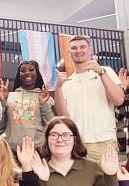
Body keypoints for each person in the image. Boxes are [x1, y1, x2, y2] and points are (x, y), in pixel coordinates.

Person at [52, 35, 124, 163]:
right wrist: (58, 87)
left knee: (108, 182)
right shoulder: (67, 82)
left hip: (105, 141)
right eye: (74, 48)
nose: (78, 50)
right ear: (69, 52)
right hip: (77, 144)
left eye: (82, 47)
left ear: (90, 50)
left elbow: (118, 100)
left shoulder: (105, 71)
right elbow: (63, 115)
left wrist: (101, 72)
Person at [0, 59, 54, 151]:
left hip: (37, 150)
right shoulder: (10, 96)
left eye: (31, 70)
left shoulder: (45, 98)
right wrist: (3, 102)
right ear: (19, 76)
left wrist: (43, 104)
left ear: (37, 74)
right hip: (12, 151)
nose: (27, 72)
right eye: (23, 70)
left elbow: (51, 125)